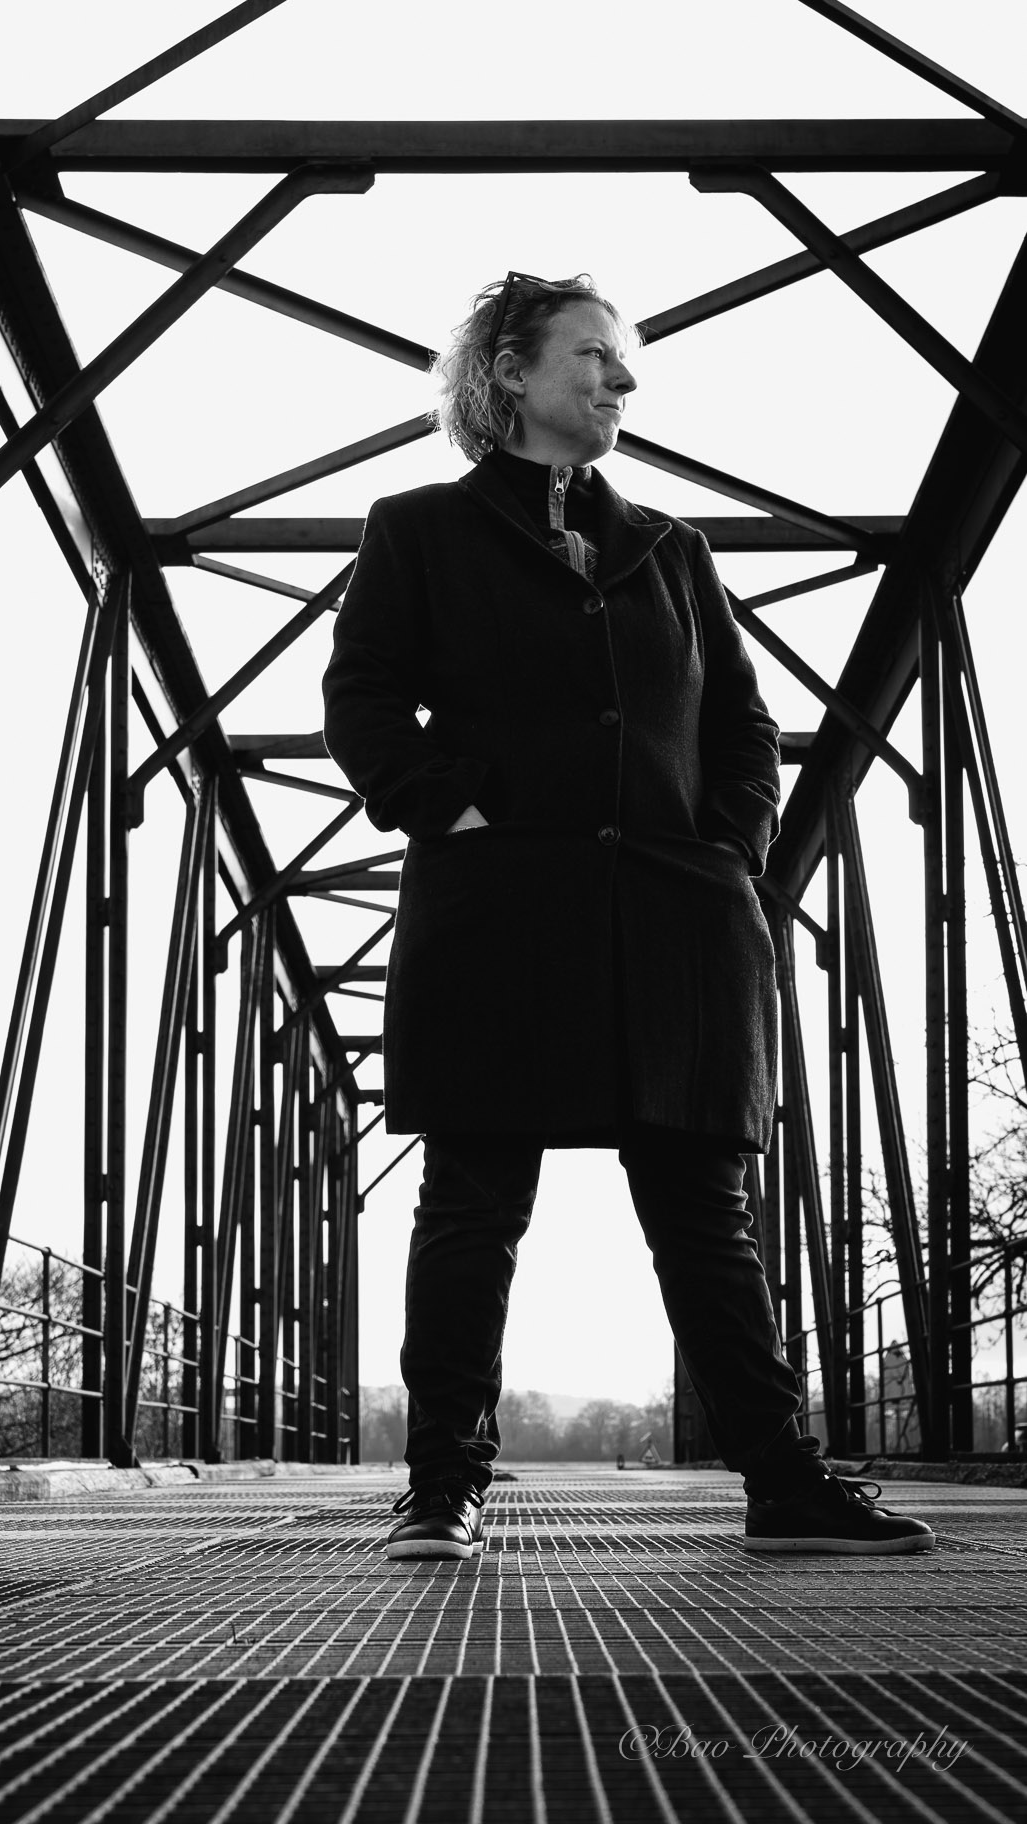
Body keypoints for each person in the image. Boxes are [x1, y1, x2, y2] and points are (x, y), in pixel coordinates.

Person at [322, 271, 935, 1561]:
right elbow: (363, 699)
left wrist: (730, 856)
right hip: (502, 919)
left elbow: (747, 731)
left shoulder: (675, 551)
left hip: (675, 925)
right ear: (509, 376)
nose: (623, 379)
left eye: (624, 358)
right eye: (595, 355)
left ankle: (782, 1479)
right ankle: (441, 1485)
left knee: (705, 1219)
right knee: (475, 1202)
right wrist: (451, 812)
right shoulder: (418, 530)